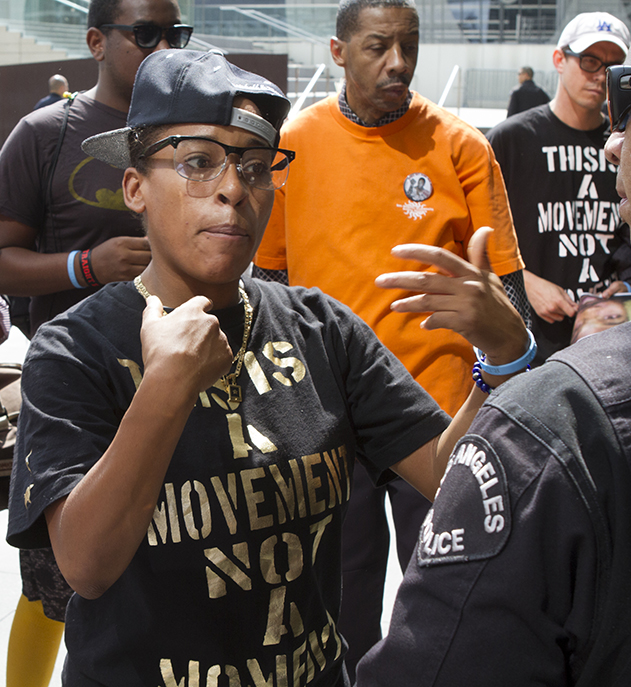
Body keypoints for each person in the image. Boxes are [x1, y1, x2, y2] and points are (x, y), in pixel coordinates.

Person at [5, 48, 530, 686]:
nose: (234, 188)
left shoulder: (323, 329)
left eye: (255, 168)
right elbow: (86, 566)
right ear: (135, 187)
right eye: (198, 162)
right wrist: (163, 393)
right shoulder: (76, 348)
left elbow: (449, 477)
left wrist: (505, 357)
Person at [356, 0, 631, 683]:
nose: (612, 139)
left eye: (629, 90)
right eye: (598, 73)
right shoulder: (508, 138)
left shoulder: (558, 428)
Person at [253, 0, 527, 676]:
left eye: (409, 44)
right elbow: (265, 282)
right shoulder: (294, 145)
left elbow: (508, 293)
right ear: (338, 52)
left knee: (450, 603)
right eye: (379, 46)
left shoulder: (462, 146)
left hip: (439, 421)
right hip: (325, 421)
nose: (398, 62)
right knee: (335, 614)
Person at [0, 0, 190, 684]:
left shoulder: (188, 131)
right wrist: (85, 265)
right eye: (145, 34)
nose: (163, 45)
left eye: (176, 33)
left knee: (177, 572)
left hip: (181, 384)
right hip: (71, 399)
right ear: (95, 42)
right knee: (56, 587)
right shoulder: (45, 133)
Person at [487, 11, 631, 365]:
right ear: (559, 59)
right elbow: (472, 238)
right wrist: (524, 281)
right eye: (589, 60)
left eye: (613, 65)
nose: (600, 75)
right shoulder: (511, 140)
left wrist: (629, 285)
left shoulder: (625, 144)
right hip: (527, 339)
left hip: (605, 342)